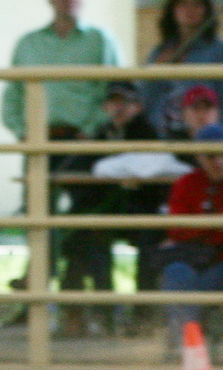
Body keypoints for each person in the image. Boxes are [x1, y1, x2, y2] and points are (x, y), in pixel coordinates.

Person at [56, 82, 168, 336]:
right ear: (106, 107)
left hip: (141, 209)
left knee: (149, 239)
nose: (119, 108)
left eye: (125, 103)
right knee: (79, 236)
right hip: (109, 210)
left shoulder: (147, 132)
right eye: (114, 102)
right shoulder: (103, 132)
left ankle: (143, 315)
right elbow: (73, 167)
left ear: (137, 106)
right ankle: (88, 312)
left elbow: (154, 174)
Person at [157, 123, 223, 354]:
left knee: (197, 288)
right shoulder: (187, 183)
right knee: (176, 273)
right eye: (210, 156)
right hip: (196, 258)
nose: (218, 162)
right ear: (199, 157)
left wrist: (198, 225)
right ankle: (185, 343)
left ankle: (189, 344)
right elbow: (175, 228)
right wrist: (221, 224)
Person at [1, 0, 122, 140]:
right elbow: (13, 94)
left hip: (90, 140)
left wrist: (89, 131)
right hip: (37, 140)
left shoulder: (101, 40)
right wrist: (22, 132)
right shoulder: (28, 43)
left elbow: (116, 91)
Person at [139, 0, 223, 137]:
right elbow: (146, 98)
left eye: (197, 4)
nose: (190, 9)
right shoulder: (160, 52)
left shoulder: (217, 51)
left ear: (206, 10)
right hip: (162, 134)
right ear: (173, 10)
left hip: (201, 134)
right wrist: (156, 71)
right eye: (183, 3)